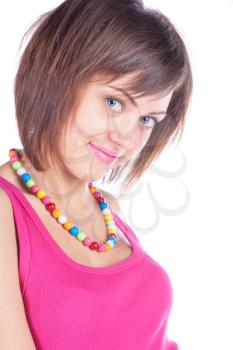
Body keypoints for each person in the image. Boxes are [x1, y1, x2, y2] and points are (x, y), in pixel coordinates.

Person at [0, 0, 193, 349]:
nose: (127, 137)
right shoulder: (5, 211)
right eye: (114, 102)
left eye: (146, 119)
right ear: (58, 76)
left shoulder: (109, 213)